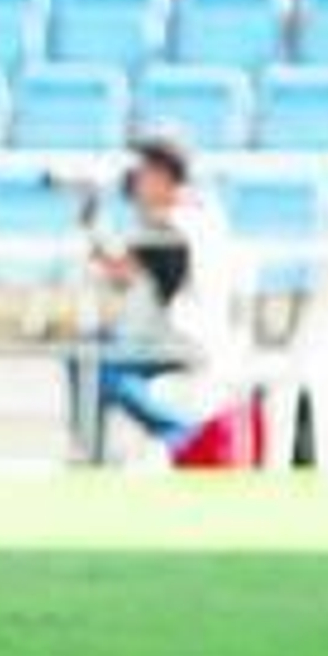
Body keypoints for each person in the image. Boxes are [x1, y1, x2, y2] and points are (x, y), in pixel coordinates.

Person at [66, 135, 238, 466]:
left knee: (96, 364)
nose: (135, 181)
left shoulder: (171, 225)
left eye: (142, 171)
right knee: (90, 353)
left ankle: (182, 435)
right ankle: (107, 450)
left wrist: (89, 209)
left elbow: (118, 270)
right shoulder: (203, 214)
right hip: (187, 337)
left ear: (163, 175)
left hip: (182, 342)